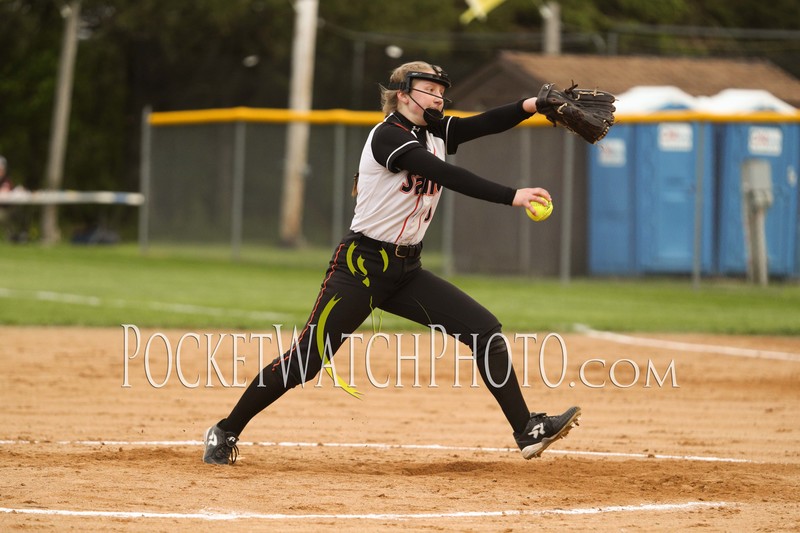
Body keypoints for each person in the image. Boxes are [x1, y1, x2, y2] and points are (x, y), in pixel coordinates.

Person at [203, 61, 580, 465]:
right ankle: (224, 431)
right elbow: (443, 174)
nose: (437, 96)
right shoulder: (388, 137)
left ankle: (526, 429)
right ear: (403, 94)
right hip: (361, 267)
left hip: (406, 271)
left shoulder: (434, 130)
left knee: (484, 329)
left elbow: (482, 123)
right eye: (428, 89)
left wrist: (532, 104)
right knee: (307, 361)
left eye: (441, 90)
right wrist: (512, 195)